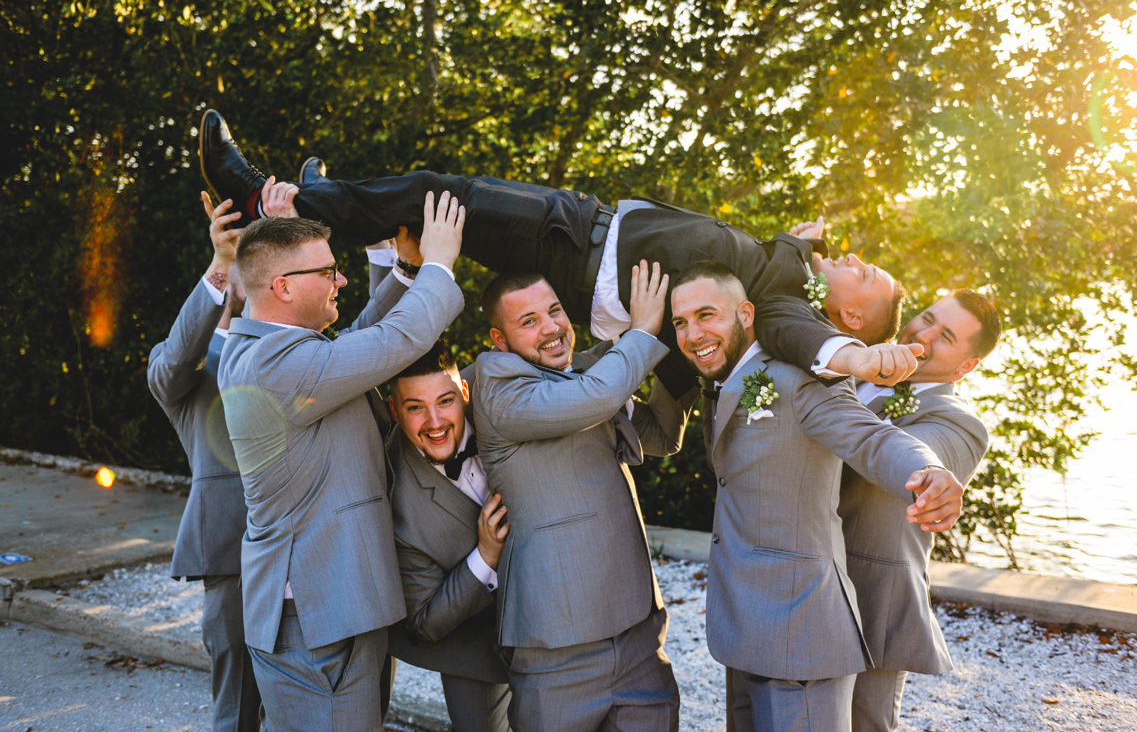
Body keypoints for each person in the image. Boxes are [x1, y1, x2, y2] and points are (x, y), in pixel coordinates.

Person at [197, 110, 922, 398]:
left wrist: (858, 359)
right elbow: (795, 250)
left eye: (867, 276)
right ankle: (329, 199)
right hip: (583, 228)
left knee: (433, 194)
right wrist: (811, 238)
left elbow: (807, 339)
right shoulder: (789, 264)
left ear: (850, 315)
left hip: (579, 250)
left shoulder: (791, 310)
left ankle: (270, 197)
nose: (856, 260)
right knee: (429, 196)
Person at [667, 260, 964, 732]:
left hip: (801, 633)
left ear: (747, 314)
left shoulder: (799, 379)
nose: (692, 333)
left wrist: (926, 470)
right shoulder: (719, 378)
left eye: (707, 315)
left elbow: (869, 437)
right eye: (681, 322)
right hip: (741, 628)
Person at [217, 194, 466, 732]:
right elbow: (392, 341)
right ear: (282, 287)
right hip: (316, 621)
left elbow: (354, 342)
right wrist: (440, 264)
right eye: (328, 271)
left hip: (328, 606)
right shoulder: (275, 365)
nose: (342, 280)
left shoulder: (270, 349)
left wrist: (405, 271)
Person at [469, 264, 697, 732]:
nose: (552, 328)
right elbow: (595, 397)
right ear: (499, 338)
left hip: (638, 634)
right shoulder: (496, 383)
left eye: (554, 311)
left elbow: (662, 435)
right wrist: (641, 332)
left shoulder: (593, 371)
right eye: (528, 321)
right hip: (555, 647)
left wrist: (677, 350)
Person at [840, 290, 1001, 732]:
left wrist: (926, 469)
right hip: (803, 580)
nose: (922, 333)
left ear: (966, 367)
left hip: (873, 601)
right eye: (926, 317)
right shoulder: (854, 362)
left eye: (945, 336)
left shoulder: (959, 423)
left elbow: (916, 458)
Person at [147, 193, 263, 732]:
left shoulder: (290, 344)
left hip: (307, 548)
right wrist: (219, 264)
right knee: (236, 705)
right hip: (230, 555)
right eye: (239, 266)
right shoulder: (183, 369)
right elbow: (173, 362)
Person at [384, 339, 514, 732]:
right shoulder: (396, 500)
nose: (435, 422)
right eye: (415, 408)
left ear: (465, 391)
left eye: (445, 401)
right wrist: (485, 556)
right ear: (394, 410)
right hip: (472, 640)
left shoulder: (503, 393)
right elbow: (426, 621)